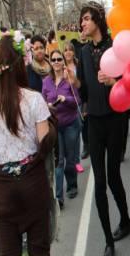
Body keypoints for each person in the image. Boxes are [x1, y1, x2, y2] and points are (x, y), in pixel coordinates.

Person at [69, 2, 130, 256]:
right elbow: (84, 91)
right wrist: (75, 81)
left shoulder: (116, 46)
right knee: (99, 181)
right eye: (81, 20)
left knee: (114, 176)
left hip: (116, 119)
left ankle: (126, 221)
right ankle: (108, 240)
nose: (82, 23)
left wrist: (114, 81)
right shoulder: (83, 51)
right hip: (94, 121)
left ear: (97, 20)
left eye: (86, 19)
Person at [0, 35, 56, 256]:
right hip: (32, 183)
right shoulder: (34, 99)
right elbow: (44, 143)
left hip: (1, 189)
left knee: (8, 251)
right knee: (39, 248)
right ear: (21, 64)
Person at [42, 50, 81, 210]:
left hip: (71, 123)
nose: (57, 62)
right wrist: (47, 105)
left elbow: (78, 100)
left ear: (63, 62)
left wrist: (67, 99)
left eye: (59, 59)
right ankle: (59, 197)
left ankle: (72, 185)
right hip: (55, 125)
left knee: (70, 159)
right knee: (59, 161)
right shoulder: (46, 81)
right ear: (50, 62)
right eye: (54, 59)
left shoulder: (69, 79)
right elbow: (42, 100)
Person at [63, 42, 85, 173]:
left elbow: (81, 83)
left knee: (78, 130)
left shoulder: (78, 65)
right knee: (72, 133)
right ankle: (72, 160)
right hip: (66, 103)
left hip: (78, 101)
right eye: (65, 50)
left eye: (70, 50)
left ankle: (76, 161)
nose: (68, 52)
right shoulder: (60, 66)